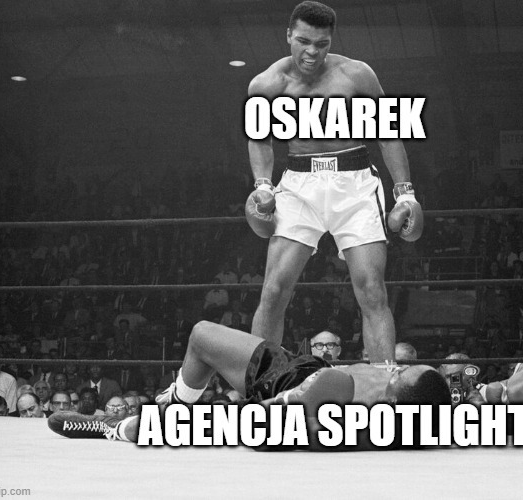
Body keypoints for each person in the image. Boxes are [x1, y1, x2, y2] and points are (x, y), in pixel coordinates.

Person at [244, 1, 423, 363]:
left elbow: (388, 132)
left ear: (331, 41)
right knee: (274, 290)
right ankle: (261, 384)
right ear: (289, 35)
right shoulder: (267, 84)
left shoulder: (356, 75)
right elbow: (259, 138)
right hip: (299, 184)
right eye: (304, 41)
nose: (312, 52)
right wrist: (263, 185)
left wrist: (405, 193)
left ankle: (384, 383)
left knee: (372, 291)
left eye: (321, 43)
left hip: (354, 183)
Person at [48, 321, 450, 447]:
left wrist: (292, 399)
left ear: (394, 403)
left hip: (286, 382)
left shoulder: (353, 415)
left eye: (397, 375)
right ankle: (168, 409)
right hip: (300, 368)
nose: (391, 370)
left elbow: (264, 423)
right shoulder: (420, 410)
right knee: (201, 336)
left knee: (202, 336)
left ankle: (121, 426)